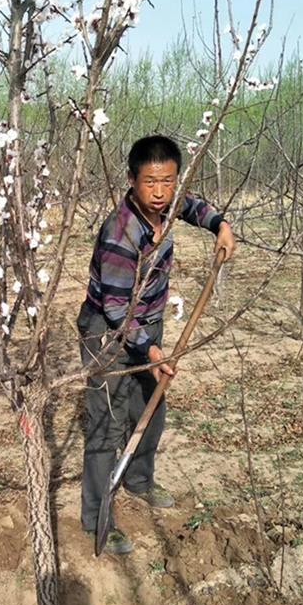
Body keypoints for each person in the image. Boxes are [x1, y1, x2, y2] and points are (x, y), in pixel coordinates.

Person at [78, 135, 236, 554]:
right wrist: (149, 351)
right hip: (106, 333)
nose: (160, 191)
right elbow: (115, 308)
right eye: (150, 182)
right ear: (132, 180)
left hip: (148, 323)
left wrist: (220, 224)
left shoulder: (169, 201)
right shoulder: (120, 233)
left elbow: (192, 205)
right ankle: (97, 518)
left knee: (152, 407)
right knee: (105, 426)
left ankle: (139, 479)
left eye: (168, 181)